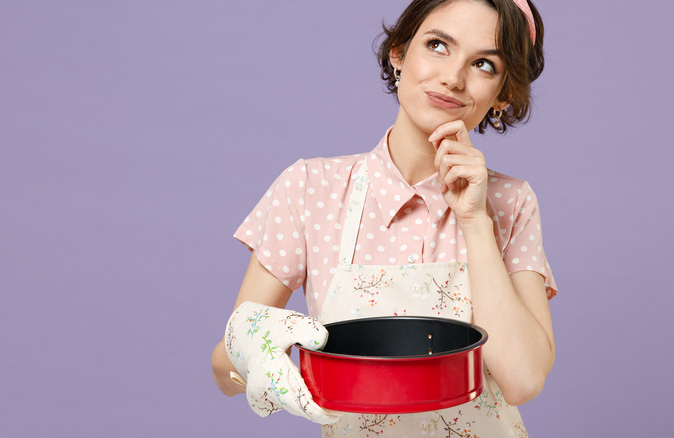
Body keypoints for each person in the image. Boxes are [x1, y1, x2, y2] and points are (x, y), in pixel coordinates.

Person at [211, 0, 557, 436]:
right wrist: (250, 351)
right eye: (437, 45)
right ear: (398, 52)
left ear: (503, 95)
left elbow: (523, 380)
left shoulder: (511, 202)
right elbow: (223, 368)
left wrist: (474, 220)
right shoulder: (309, 189)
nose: (453, 77)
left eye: (484, 64)